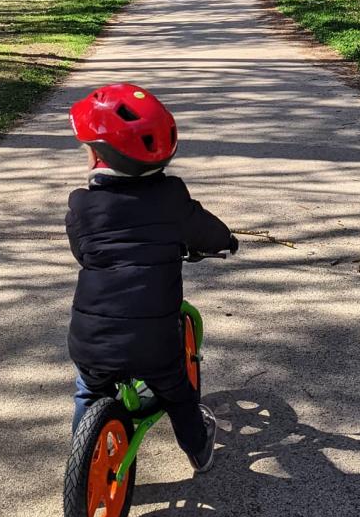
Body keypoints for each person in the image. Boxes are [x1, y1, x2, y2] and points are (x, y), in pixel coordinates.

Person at [66, 82, 238, 474]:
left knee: (88, 390)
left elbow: (82, 251)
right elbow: (207, 232)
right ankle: (199, 451)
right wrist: (226, 241)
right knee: (179, 393)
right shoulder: (172, 198)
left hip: (91, 340)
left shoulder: (81, 205)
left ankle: (85, 458)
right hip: (154, 344)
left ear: (97, 156)